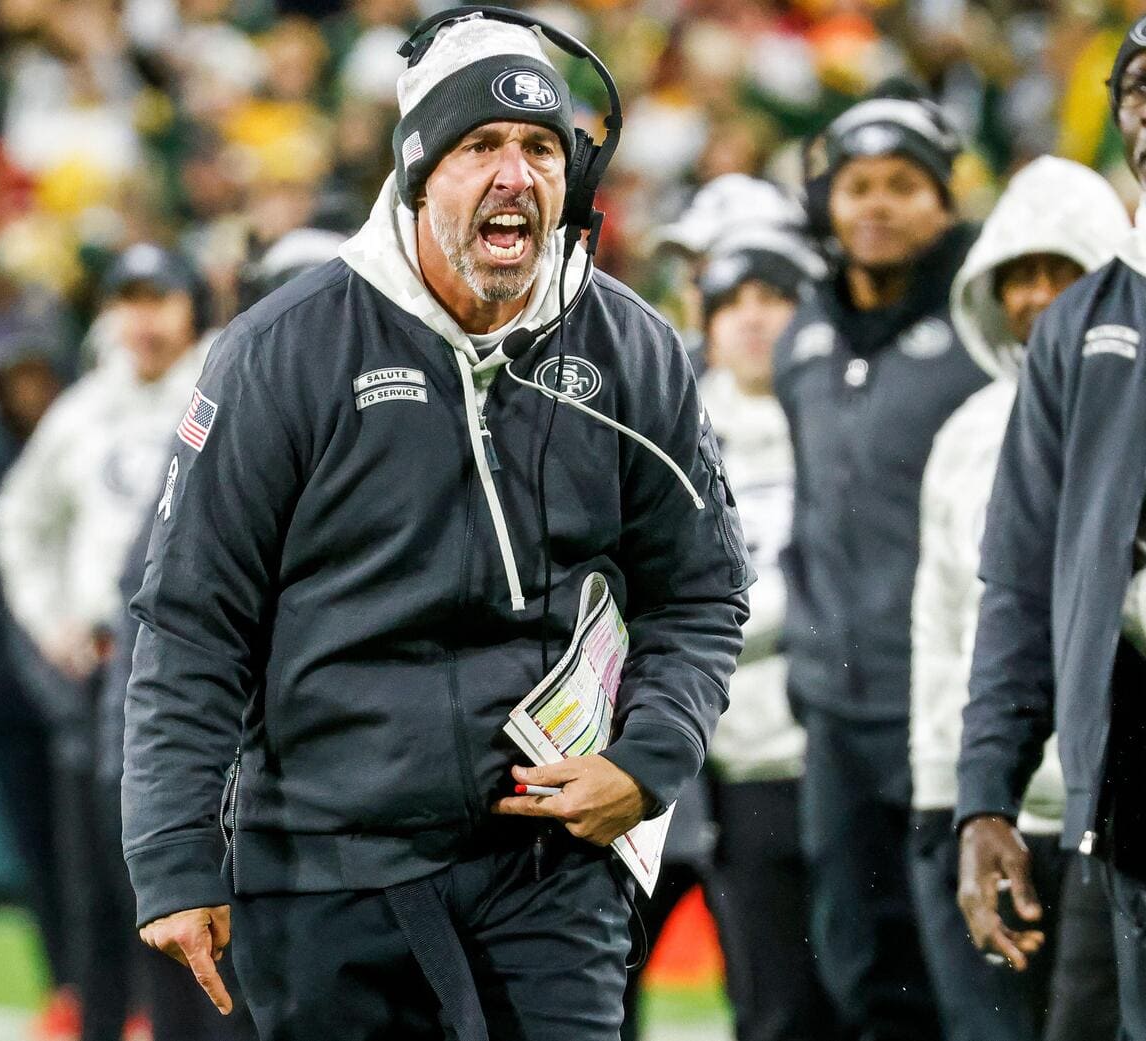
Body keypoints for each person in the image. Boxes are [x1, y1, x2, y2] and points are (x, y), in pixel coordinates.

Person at [121, 11, 750, 1041]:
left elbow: (701, 587)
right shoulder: (283, 350)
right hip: (328, 864)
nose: (517, 174)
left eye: (542, 148)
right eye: (481, 147)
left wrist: (649, 760)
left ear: (575, 180)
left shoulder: (632, 347)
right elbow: (194, 619)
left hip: (551, 871)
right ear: (419, 173)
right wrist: (174, 857)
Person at [773, 90, 989, 1041]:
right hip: (837, 710)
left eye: (905, 185)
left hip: (943, 704)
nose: (878, 205)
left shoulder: (983, 338)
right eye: (858, 185)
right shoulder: (804, 338)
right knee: (857, 963)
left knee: (965, 967)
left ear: (946, 201)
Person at [955, 19, 1146, 1040]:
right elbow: (1020, 577)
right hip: (1133, 772)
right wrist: (987, 795)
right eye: (1141, 88)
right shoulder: (1080, 327)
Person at [911, 155, 1127, 1041]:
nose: (1039, 297)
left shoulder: (1130, 415)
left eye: (1062, 271)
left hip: (1109, 813)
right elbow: (944, 625)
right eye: (1020, 276)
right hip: (986, 809)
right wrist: (946, 796)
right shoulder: (963, 435)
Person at [0, 243, 215, 1041]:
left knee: (182, 895)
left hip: (197, 679)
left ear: (192, 305)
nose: (143, 317)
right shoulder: (84, 408)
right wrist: (52, 621)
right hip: (103, 673)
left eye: (159, 297)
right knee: (95, 901)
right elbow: (18, 519)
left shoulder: (224, 383)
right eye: (129, 299)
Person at [694, 186, 839, 1041]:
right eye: (733, 300)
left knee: (868, 989)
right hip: (729, 757)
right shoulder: (668, 422)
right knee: (773, 1002)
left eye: (773, 296)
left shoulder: (848, 405)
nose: (753, 319)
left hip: (842, 744)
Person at [0, 345, 75, 1036]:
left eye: (38, 375)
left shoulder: (83, 451)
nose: (29, 392)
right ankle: (67, 986)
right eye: (16, 380)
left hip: (81, 702)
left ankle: (131, 993)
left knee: (102, 860)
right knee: (40, 853)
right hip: (13, 707)